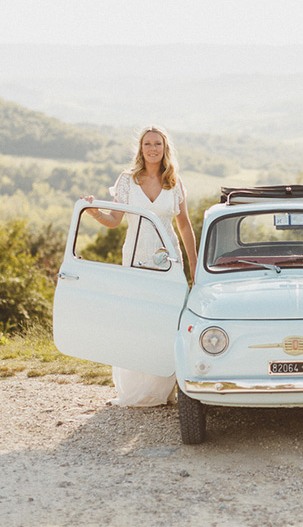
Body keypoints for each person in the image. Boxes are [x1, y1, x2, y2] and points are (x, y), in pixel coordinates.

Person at [82, 126, 197, 407]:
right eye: (148, 144)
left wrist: (194, 266)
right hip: (136, 261)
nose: (153, 148)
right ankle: (136, 390)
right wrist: (95, 212)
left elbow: (184, 226)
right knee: (137, 323)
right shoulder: (127, 181)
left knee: (168, 323)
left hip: (169, 263)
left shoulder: (174, 182)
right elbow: (114, 220)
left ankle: (165, 389)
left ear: (165, 148)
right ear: (141, 148)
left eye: (157, 143)